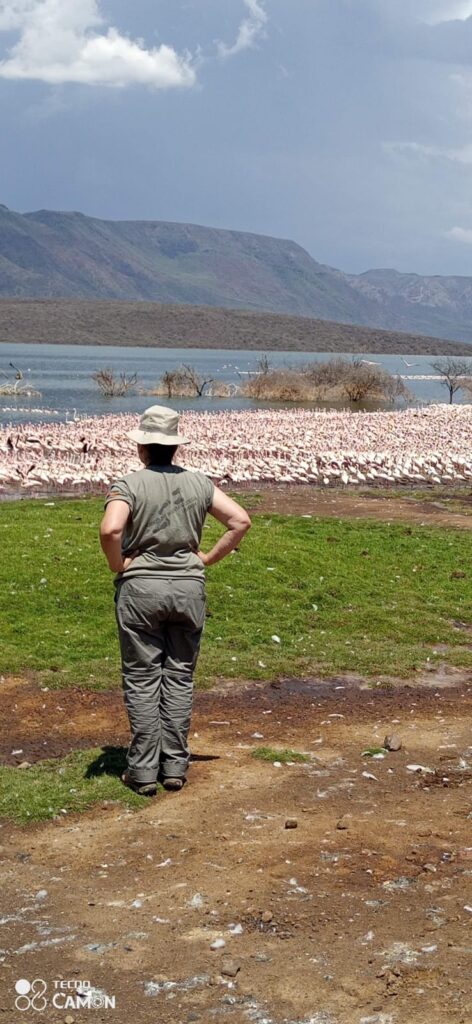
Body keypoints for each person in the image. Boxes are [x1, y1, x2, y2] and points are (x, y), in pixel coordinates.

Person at [99, 405, 251, 796]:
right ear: (175, 448)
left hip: (141, 591)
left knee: (142, 677)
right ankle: (174, 767)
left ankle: (143, 771)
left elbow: (111, 528)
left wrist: (120, 565)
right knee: (179, 676)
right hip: (188, 589)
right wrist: (207, 558)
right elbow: (240, 521)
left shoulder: (129, 484)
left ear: (141, 449)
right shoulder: (200, 483)